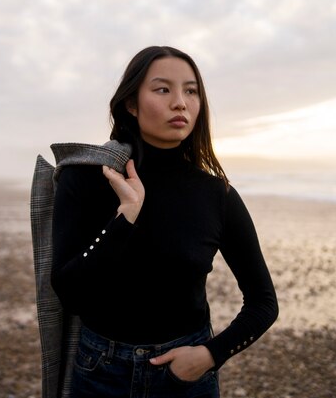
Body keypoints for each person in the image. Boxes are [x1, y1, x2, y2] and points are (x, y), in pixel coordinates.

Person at [51, 46, 278, 398]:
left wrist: (209, 355)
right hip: (100, 372)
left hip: (185, 379)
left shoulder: (216, 194)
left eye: (191, 91)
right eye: (163, 89)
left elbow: (264, 301)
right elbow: (71, 293)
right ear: (131, 103)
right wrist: (126, 216)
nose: (180, 103)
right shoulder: (86, 178)